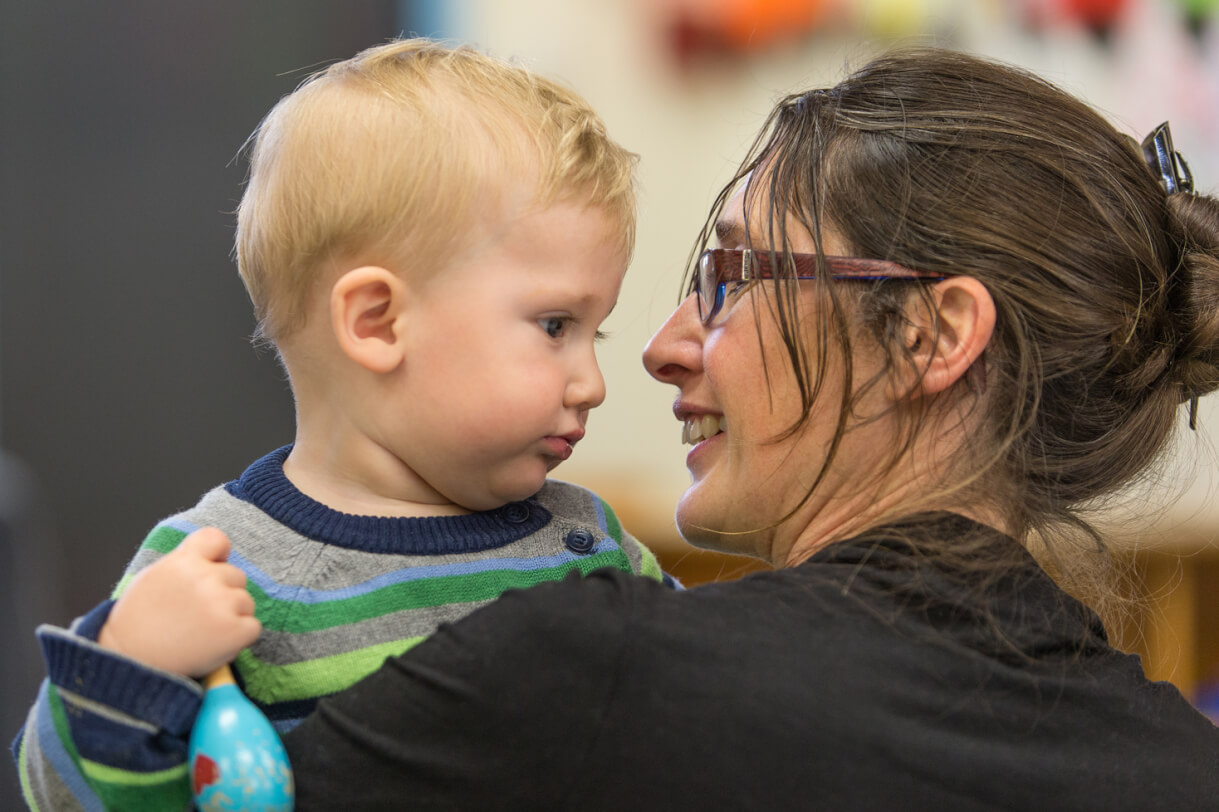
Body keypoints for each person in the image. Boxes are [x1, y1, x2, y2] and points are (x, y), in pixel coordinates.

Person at [270, 47, 1219, 809]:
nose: (660, 348)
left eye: (727, 279)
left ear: (931, 335)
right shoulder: (1183, 768)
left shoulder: (588, 679)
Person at [12, 38, 669, 811]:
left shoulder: (589, 542)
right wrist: (129, 665)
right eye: (555, 325)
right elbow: (54, 794)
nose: (591, 383)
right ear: (378, 321)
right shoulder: (219, 573)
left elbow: (721, 721)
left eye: (599, 333)